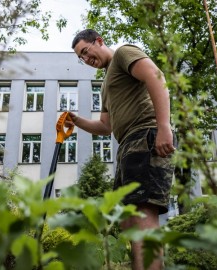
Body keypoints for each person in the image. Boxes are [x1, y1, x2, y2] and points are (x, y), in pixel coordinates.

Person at [67, 29, 176, 270]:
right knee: (128, 219)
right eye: (81, 58)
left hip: (145, 136)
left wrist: (164, 126)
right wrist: (75, 120)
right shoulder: (106, 83)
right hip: (127, 145)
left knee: (142, 211)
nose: (86, 59)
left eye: (85, 51)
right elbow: (105, 127)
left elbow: (155, 76)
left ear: (99, 41)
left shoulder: (123, 54)